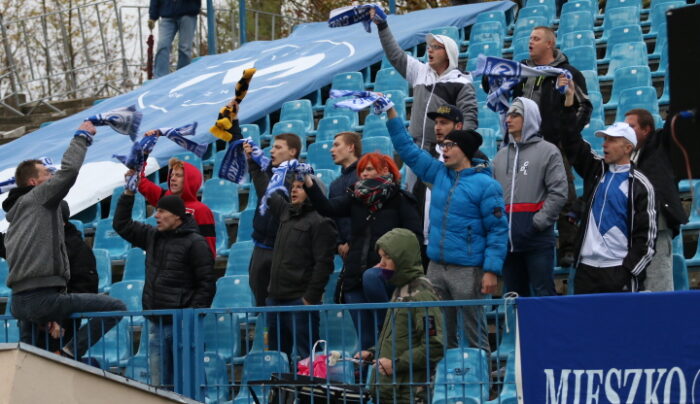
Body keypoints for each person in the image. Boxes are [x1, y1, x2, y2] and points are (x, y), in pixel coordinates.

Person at [384, 104, 508, 353]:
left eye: (449, 146)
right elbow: (407, 150)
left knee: (474, 332)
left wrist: (491, 270)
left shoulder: (486, 185)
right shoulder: (439, 173)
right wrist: (391, 114)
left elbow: (497, 230)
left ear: (464, 150)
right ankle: (444, 385)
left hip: (468, 268)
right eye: (444, 146)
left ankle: (480, 384)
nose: (444, 150)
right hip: (437, 267)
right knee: (439, 332)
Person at [3, 121, 126, 359]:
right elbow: (69, 171)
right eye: (47, 173)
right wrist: (82, 137)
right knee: (116, 308)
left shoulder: (17, 215)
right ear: (34, 183)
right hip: (42, 297)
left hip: (20, 302)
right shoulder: (38, 199)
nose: (52, 176)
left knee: (31, 365)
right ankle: (68, 353)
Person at [486, 26, 593, 268]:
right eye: (529, 38)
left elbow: (584, 107)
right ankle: (515, 238)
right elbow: (492, 87)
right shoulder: (521, 72)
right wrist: (493, 76)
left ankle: (567, 247)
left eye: (536, 38)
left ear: (549, 44)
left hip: (554, 143)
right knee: (516, 193)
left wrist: (568, 133)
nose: (530, 42)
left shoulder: (568, 73)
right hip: (521, 144)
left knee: (563, 194)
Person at [304, 153, 422, 350]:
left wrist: (392, 259)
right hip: (354, 277)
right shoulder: (355, 199)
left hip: (387, 275)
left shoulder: (400, 199)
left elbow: (414, 236)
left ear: (385, 170)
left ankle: (391, 332)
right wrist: (308, 182)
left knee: (385, 333)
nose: (364, 174)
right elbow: (327, 207)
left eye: (369, 169)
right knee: (365, 341)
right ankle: (369, 375)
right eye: (362, 170)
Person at [559, 79, 657, 294]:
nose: (605, 144)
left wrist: (628, 272)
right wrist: (568, 102)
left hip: (619, 270)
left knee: (623, 328)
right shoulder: (595, 170)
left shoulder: (640, 184)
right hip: (585, 269)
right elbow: (570, 140)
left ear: (627, 147)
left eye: (612, 140)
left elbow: (646, 239)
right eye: (604, 139)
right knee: (587, 327)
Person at [113, 189, 216, 388]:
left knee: (188, 383)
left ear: (177, 215)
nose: (156, 216)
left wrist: (190, 317)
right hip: (156, 323)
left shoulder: (196, 243)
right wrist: (127, 195)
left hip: (183, 325)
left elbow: (207, 284)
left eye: (161, 212)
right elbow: (121, 225)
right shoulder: (153, 236)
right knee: (160, 387)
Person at [244, 142, 337, 361]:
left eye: (300, 187)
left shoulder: (321, 222)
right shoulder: (286, 213)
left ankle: (307, 397)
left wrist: (310, 298)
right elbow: (266, 191)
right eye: (292, 186)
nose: (293, 189)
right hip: (275, 300)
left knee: (307, 358)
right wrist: (254, 166)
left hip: (299, 301)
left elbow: (324, 264)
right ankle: (281, 397)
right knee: (277, 359)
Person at [370, 9, 478, 152]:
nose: (430, 50)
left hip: (443, 153)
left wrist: (457, 150)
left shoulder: (462, 83)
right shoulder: (420, 71)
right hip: (415, 150)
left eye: (436, 47)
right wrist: (382, 25)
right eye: (429, 46)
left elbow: (469, 120)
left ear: (449, 54)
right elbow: (394, 54)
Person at [356, 228, 444, 404]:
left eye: (387, 257)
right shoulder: (399, 290)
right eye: (381, 257)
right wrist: (372, 353)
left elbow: (434, 346)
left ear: (402, 258)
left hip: (409, 394)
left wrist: (395, 364)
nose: (381, 263)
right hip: (390, 392)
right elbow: (398, 338)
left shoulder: (421, 294)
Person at [493, 97, 568, 296]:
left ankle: (549, 329)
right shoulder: (500, 156)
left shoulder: (548, 151)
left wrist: (536, 224)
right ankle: (520, 330)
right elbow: (493, 195)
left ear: (530, 118)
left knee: (544, 293)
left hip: (537, 240)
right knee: (514, 298)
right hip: (508, 243)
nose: (509, 119)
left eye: (516, 114)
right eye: (508, 114)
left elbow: (559, 193)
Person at [414, 104, 490, 270]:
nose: (437, 127)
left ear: (459, 126)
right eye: (436, 123)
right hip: (428, 242)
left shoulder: (476, 158)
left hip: (461, 249)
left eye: (443, 123)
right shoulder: (429, 156)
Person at [625, 108, 687, 291]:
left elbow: (673, 125)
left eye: (632, 126)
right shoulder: (626, 156)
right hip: (634, 229)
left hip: (657, 226)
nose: (627, 131)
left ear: (647, 129)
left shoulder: (660, 145)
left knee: (659, 284)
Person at [248, 133, 301, 307]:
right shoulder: (267, 171)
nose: (272, 151)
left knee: (281, 307)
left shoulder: (299, 180)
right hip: (260, 247)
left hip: (283, 251)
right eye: (272, 147)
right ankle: (267, 334)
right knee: (262, 306)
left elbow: (272, 197)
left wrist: (255, 167)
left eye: (278, 147)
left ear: (292, 151)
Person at [138, 153, 216, 258]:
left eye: (178, 175)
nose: (172, 178)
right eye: (171, 175)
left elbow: (208, 251)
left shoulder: (201, 210)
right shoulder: (165, 198)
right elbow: (139, 180)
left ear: (190, 180)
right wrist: (145, 152)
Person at [329, 132, 362, 263]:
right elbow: (332, 218)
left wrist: (351, 241)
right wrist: (339, 244)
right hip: (345, 252)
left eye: (337, 145)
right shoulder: (334, 185)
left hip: (365, 247)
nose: (332, 149)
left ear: (350, 147)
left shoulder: (364, 176)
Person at [148, 0, 200, 78]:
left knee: (185, 48)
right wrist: (152, 16)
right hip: (167, 14)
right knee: (162, 45)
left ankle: (182, 77)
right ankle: (160, 78)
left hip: (188, 12)